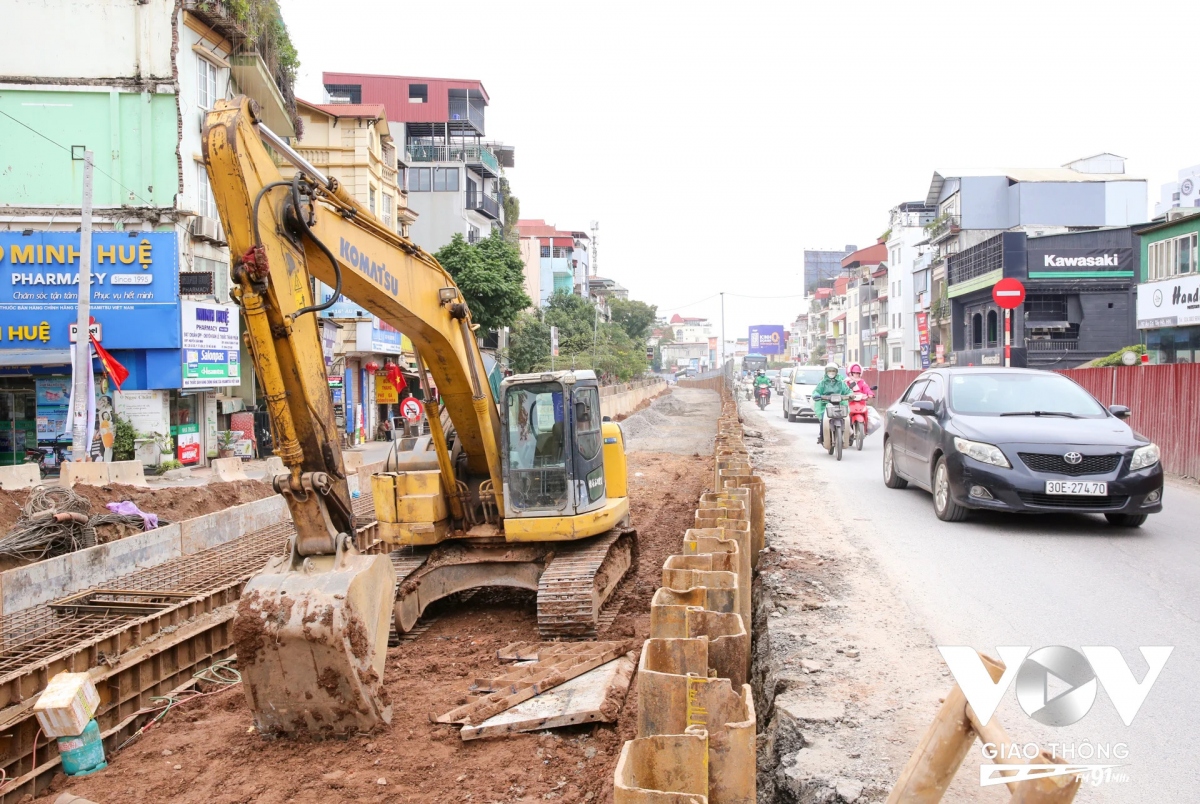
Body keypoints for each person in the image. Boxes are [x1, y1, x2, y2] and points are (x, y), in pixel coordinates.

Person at [812, 363, 850, 445]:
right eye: (829, 371)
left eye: (833, 371)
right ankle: (821, 436)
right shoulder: (822, 383)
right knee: (823, 419)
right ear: (826, 372)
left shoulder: (841, 383)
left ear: (836, 372)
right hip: (825, 405)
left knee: (846, 420)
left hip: (840, 405)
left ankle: (847, 436)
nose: (831, 372)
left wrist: (850, 395)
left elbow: (848, 391)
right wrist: (816, 395)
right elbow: (816, 391)